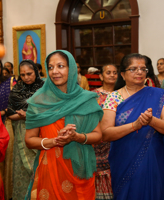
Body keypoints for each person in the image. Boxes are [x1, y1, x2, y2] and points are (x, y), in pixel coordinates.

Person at [24, 50, 103, 200]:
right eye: (51, 67)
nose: (55, 72)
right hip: (51, 167)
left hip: (80, 171)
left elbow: (98, 135)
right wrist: (54, 141)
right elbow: (29, 140)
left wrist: (77, 136)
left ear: (71, 68)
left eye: (60, 66)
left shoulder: (86, 99)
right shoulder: (39, 100)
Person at [101, 53, 164, 200]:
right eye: (133, 69)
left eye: (143, 69)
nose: (139, 72)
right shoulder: (113, 97)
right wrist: (135, 125)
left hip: (154, 159)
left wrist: (151, 121)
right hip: (123, 159)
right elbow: (106, 134)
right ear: (122, 74)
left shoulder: (159, 95)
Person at [6, 60, 44, 200]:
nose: (26, 77)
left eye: (29, 73)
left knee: (41, 170)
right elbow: (10, 113)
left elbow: (51, 111)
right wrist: (22, 116)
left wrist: (29, 115)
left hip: (42, 132)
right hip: (22, 133)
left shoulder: (45, 88)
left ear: (36, 71)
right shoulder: (16, 89)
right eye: (22, 75)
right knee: (22, 169)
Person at [92, 64, 118, 200]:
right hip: (99, 143)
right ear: (101, 76)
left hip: (118, 140)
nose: (112, 75)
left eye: (115, 72)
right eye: (108, 72)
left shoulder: (121, 94)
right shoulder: (93, 96)